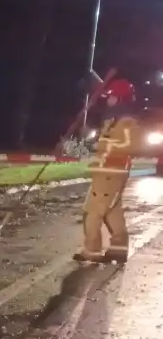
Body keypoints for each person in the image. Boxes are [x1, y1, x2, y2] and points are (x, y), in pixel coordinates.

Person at [75, 78, 139, 264]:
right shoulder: (112, 120)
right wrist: (84, 146)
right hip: (106, 170)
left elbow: (131, 145)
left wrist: (101, 144)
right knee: (112, 211)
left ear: (120, 98)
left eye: (111, 97)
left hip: (113, 171)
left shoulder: (128, 122)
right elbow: (100, 145)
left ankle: (92, 250)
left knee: (93, 210)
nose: (108, 100)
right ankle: (118, 250)